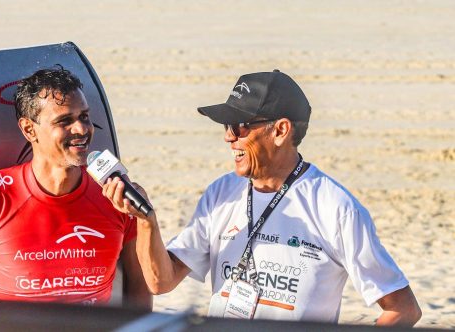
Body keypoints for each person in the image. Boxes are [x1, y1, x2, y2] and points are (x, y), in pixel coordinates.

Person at [103, 69, 421, 324]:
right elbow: (161, 282)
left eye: (240, 125)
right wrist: (146, 221)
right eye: (227, 125)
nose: (229, 137)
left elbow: (403, 309)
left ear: (280, 131)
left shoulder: (335, 207)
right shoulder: (221, 193)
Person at [0, 66, 151, 309]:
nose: (81, 129)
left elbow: (140, 283)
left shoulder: (115, 195)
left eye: (84, 117)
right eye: (64, 121)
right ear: (29, 129)